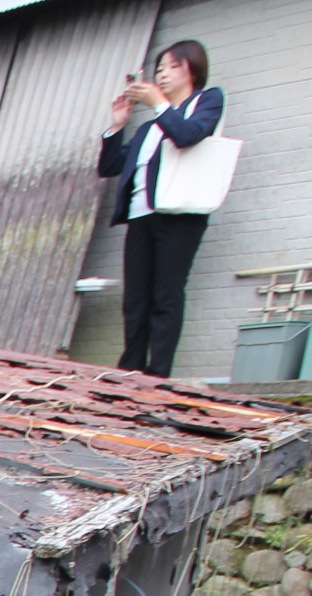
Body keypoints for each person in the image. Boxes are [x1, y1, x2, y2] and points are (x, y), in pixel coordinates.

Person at [98, 40, 224, 376]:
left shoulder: (207, 100)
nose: (162, 74)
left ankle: (159, 374)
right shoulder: (149, 127)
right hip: (141, 216)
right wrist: (117, 126)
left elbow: (189, 134)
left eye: (170, 66)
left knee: (166, 295)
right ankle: (131, 371)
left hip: (179, 215)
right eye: (159, 69)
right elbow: (111, 166)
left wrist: (158, 104)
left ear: (192, 68)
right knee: (135, 300)